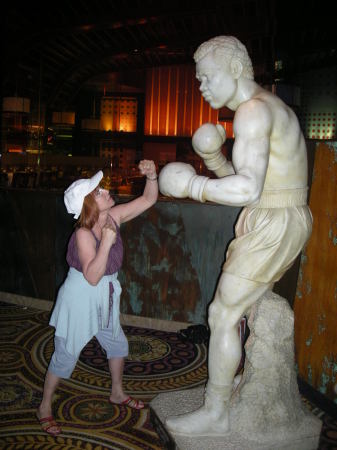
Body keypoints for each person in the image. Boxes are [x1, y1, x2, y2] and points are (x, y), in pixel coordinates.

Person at [159, 36, 312, 436]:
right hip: (271, 214)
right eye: (199, 79)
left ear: (236, 70)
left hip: (275, 220)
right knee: (234, 308)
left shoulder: (253, 112)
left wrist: (192, 185)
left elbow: (247, 191)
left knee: (222, 313)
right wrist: (214, 161)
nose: (202, 86)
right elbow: (253, 185)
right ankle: (239, 390)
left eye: (207, 77)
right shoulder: (264, 108)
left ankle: (217, 411)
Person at [37, 160, 158, 436]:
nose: (106, 191)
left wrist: (152, 176)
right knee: (66, 354)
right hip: (81, 297)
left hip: (105, 295)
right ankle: (44, 406)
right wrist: (106, 241)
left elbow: (149, 199)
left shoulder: (114, 215)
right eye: (99, 192)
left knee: (116, 343)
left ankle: (117, 392)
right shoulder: (82, 233)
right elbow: (92, 276)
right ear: (88, 205)